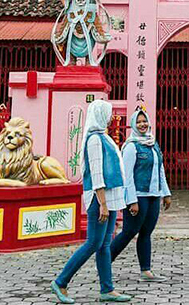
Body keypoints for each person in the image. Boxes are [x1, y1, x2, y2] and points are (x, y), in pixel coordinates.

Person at [51, 100, 131, 303]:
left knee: (104, 245)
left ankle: (107, 289)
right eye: (108, 113)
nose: (111, 116)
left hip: (111, 198)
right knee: (93, 242)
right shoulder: (95, 139)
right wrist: (102, 203)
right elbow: (96, 173)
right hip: (100, 198)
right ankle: (61, 281)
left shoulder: (104, 138)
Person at [110, 107, 172, 282]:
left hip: (154, 195)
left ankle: (146, 271)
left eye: (144, 121)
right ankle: (105, 262)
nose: (142, 124)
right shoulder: (131, 147)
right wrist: (131, 200)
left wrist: (165, 193)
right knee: (129, 231)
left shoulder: (153, 143)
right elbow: (126, 175)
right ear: (133, 125)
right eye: (138, 122)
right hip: (138, 195)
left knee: (146, 233)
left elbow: (160, 170)